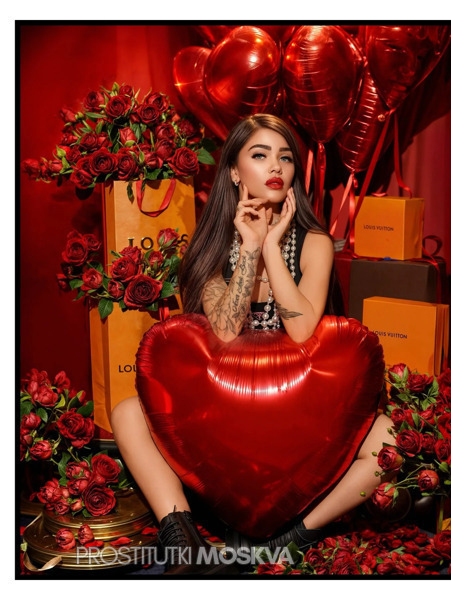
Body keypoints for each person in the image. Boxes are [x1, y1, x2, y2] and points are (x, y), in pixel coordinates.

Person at [111, 114, 394, 575]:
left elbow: (301, 332)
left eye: (285, 157)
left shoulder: (315, 243)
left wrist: (272, 248)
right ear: (234, 172)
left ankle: (291, 540)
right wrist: (248, 246)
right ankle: (182, 538)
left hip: (301, 410)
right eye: (259, 155)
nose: (275, 166)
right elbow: (225, 331)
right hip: (224, 413)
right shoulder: (211, 246)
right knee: (126, 413)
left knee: (392, 441)